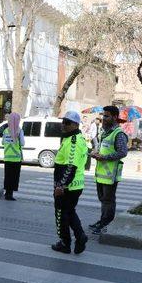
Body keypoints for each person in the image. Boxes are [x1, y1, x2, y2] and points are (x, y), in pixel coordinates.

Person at [51, 111, 89, 254]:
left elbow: (70, 167)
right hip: (73, 185)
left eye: (67, 123)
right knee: (69, 213)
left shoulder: (73, 141)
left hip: (69, 186)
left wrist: (61, 186)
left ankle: (65, 243)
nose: (63, 125)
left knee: (61, 214)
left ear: (75, 124)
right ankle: (80, 237)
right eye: (63, 121)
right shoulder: (71, 138)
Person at [89, 105, 128, 235]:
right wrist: (96, 153)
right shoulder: (105, 132)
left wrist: (104, 157)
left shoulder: (119, 134)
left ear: (115, 117)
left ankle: (106, 224)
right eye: (103, 116)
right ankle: (102, 221)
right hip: (101, 174)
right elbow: (103, 149)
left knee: (108, 201)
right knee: (103, 200)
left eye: (106, 116)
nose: (103, 118)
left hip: (110, 175)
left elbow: (122, 152)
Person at [3, 112, 24, 200]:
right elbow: (22, 143)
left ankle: (7, 193)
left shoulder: (5, 131)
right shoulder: (19, 131)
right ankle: (10, 195)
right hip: (16, 158)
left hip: (7, 157)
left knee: (7, 176)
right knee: (14, 177)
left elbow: (2, 142)